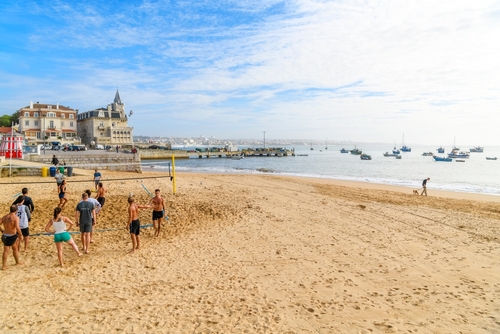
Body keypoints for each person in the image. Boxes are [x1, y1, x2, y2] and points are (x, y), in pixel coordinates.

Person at [1, 205, 23, 270]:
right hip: (12, 236)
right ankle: (17, 262)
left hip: (5, 235)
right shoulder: (16, 217)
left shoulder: (4, 217)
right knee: (15, 249)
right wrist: (21, 235)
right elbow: (17, 227)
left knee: (6, 251)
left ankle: (4, 265)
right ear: (16, 210)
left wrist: (2, 230)